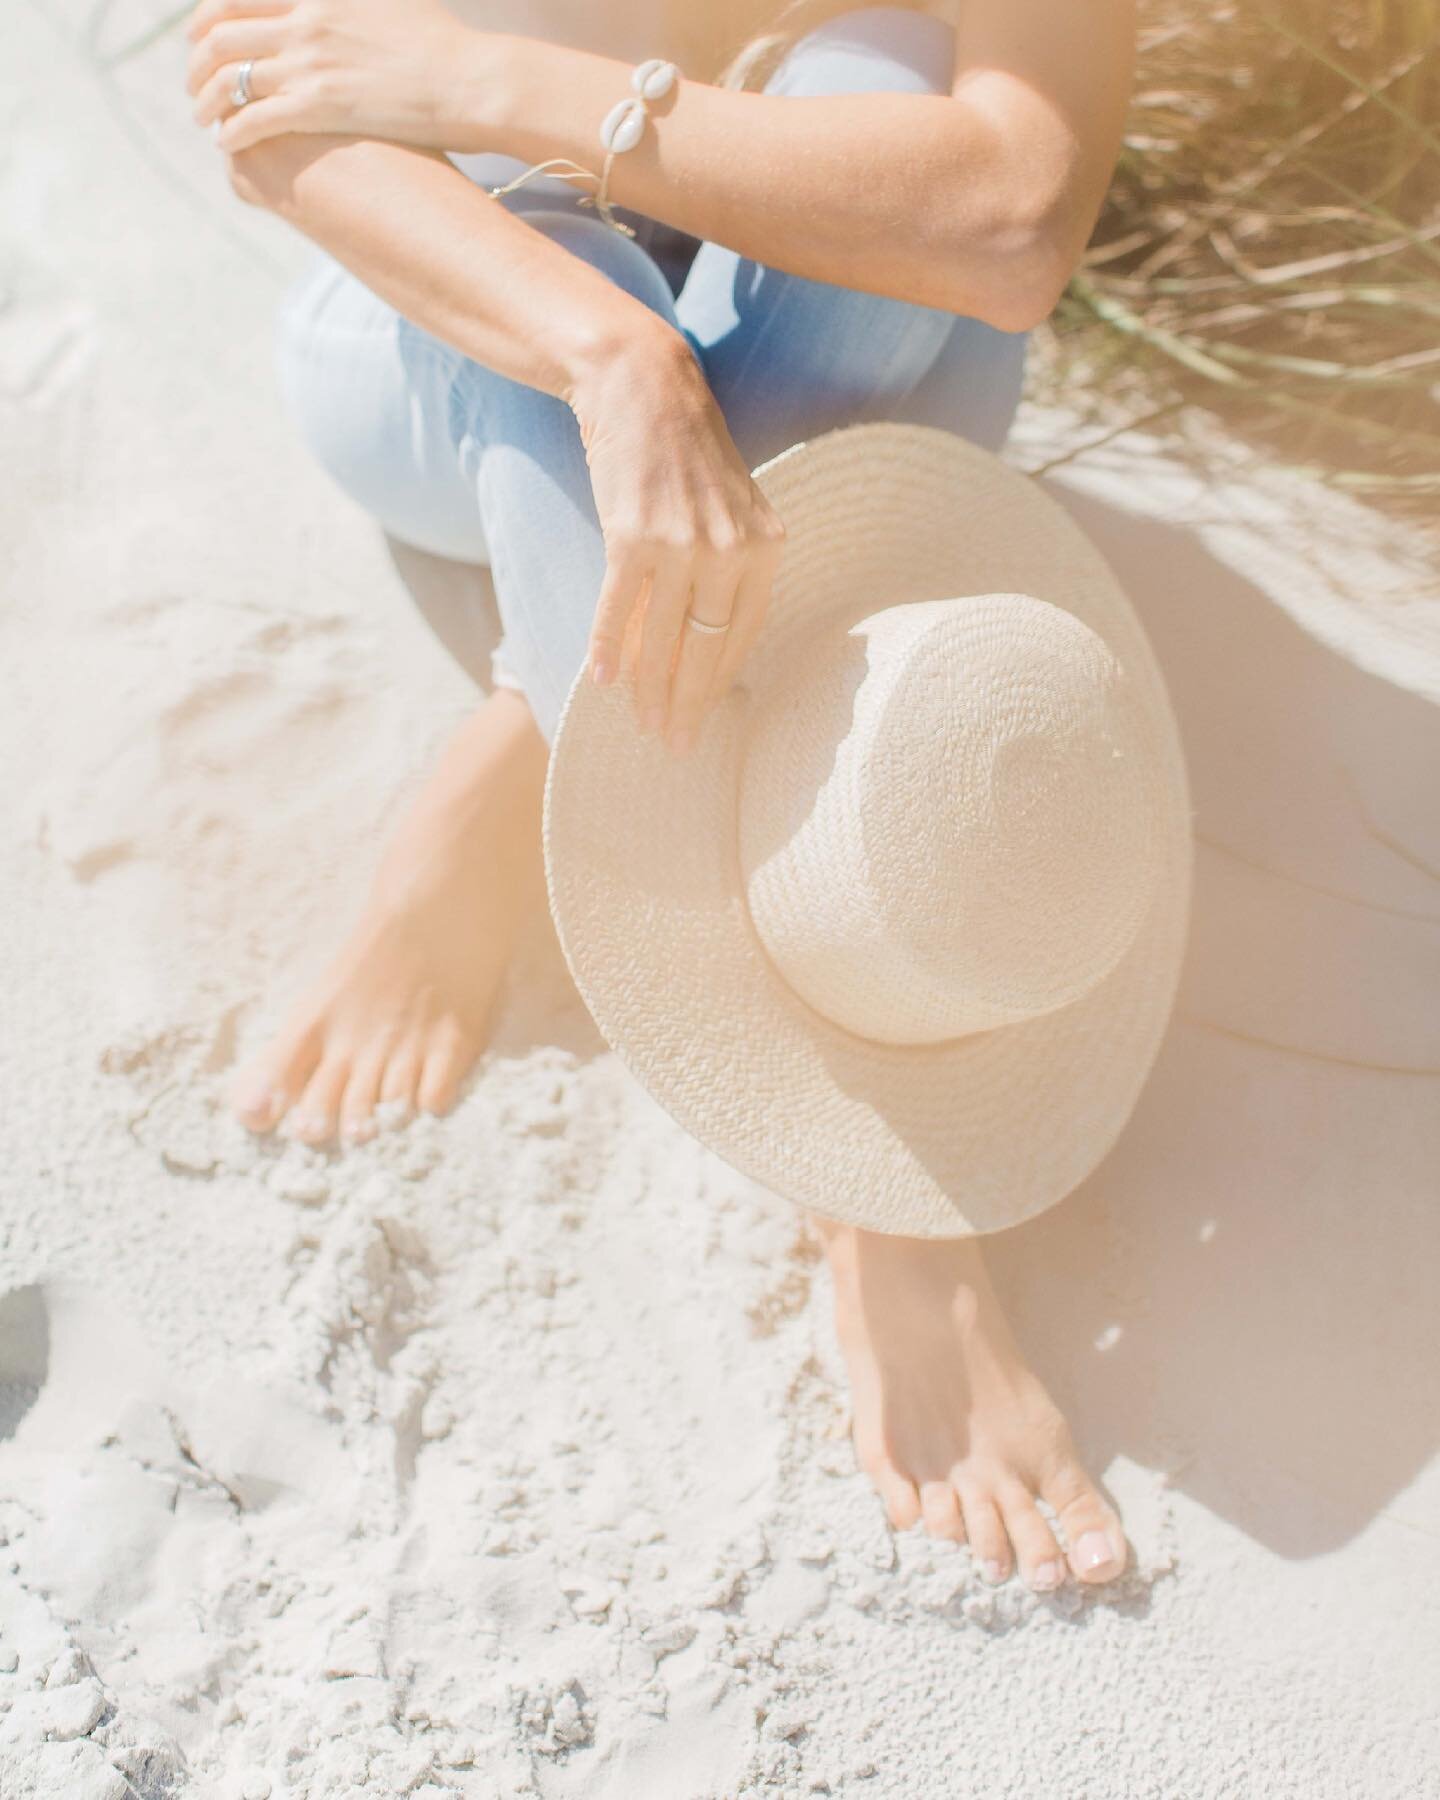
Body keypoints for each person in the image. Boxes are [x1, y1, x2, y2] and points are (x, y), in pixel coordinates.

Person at [184, 0, 1140, 1591]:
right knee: (565, 252)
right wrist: (612, 354)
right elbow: (266, 105)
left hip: (862, 311)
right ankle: (868, 1160)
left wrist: (491, 74)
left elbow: (1012, 216)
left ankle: (531, 731)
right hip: (430, 328)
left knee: (887, 85)